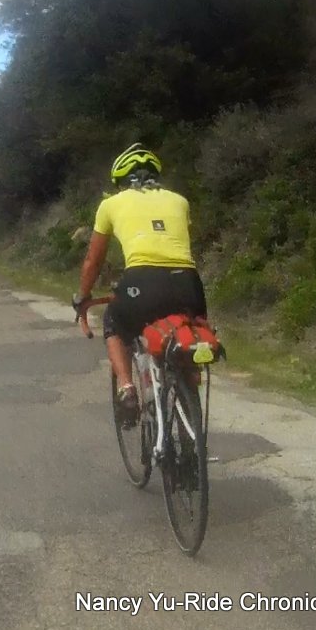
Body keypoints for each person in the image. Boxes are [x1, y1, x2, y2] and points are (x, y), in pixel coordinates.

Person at [73, 143, 208, 424]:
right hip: (188, 283)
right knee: (191, 331)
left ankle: (126, 388)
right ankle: (190, 386)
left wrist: (82, 296)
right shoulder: (179, 201)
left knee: (114, 322)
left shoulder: (110, 204)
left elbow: (93, 261)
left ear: (121, 181)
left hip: (142, 281)